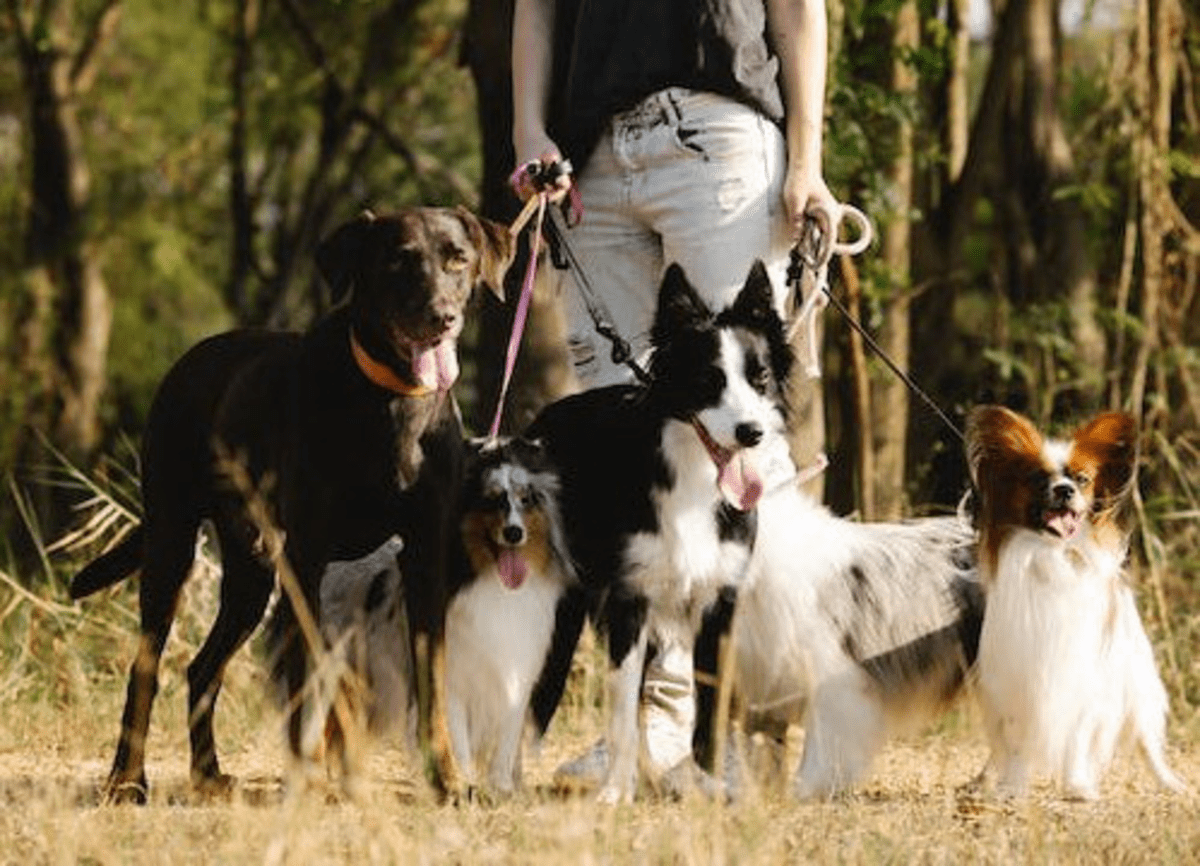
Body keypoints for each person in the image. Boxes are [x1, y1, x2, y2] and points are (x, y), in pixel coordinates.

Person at [510, 0, 837, 791]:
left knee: (744, 430)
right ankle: (655, 730)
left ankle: (751, 723)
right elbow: (537, 13)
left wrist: (807, 160)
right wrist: (528, 132)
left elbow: (796, 10)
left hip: (721, 136)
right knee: (631, 457)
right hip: (589, 156)